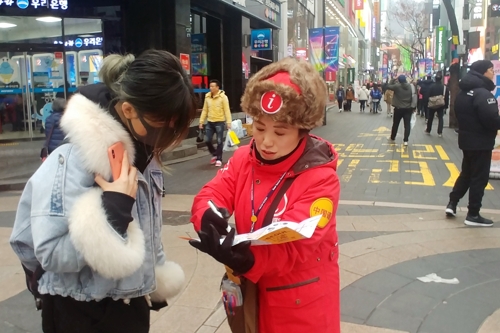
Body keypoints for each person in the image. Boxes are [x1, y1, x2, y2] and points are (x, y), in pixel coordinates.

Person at [10, 50, 194, 333]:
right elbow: (48, 253)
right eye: (163, 126)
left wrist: (152, 277)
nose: (168, 136)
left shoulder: (145, 153)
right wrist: (112, 213)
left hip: (131, 304)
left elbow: (151, 231)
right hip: (79, 310)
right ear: (129, 109)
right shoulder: (73, 159)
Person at [189, 58, 340, 333]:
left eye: (280, 132)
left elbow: (298, 244)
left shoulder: (321, 178)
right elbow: (212, 193)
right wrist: (208, 217)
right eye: (259, 128)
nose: (266, 141)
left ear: (302, 132)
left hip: (299, 304)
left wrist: (249, 260)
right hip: (250, 293)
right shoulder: (242, 159)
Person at [445, 60, 500, 227]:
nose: (493, 73)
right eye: (491, 70)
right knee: (479, 178)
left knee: (467, 174)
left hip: (466, 141)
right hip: (481, 142)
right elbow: (492, 120)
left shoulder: (463, 93)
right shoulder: (483, 94)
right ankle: (473, 213)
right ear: (483, 72)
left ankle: (452, 203)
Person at [199, 79, 232, 167]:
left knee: (219, 141)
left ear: (217, 87)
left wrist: (229, 122)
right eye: (210, 86)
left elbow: (227, 110)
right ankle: (215, 153)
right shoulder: (207, 97)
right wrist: (201, 121)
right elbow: (205, 110)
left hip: (220, 122)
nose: (211, 88)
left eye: (213, 86)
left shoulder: (223, 97)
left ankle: (219, 159)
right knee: (207, 140)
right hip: (210, 122)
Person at [386, 75, 416, 146]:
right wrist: (414, 107)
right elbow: (414, 96)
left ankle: (393, 138)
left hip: (398, 109)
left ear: (399, 80)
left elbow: (388, 86)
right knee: (407, 125)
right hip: (408, 109)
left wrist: (393, 79)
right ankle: (406, 140)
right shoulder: (411, 86)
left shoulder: (397, 86)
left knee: (395, 124)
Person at [425, 72, 449, 137]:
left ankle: (428, 130)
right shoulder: (444, 87)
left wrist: (427, 103)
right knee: (440, 118)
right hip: (441, 104)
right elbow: (446, 97)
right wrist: (446, 106)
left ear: (435, 79)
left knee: (430, 117)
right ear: (441, 79)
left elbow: (428, 95)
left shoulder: (431, 86)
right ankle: (440, 132)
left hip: (432, 104)